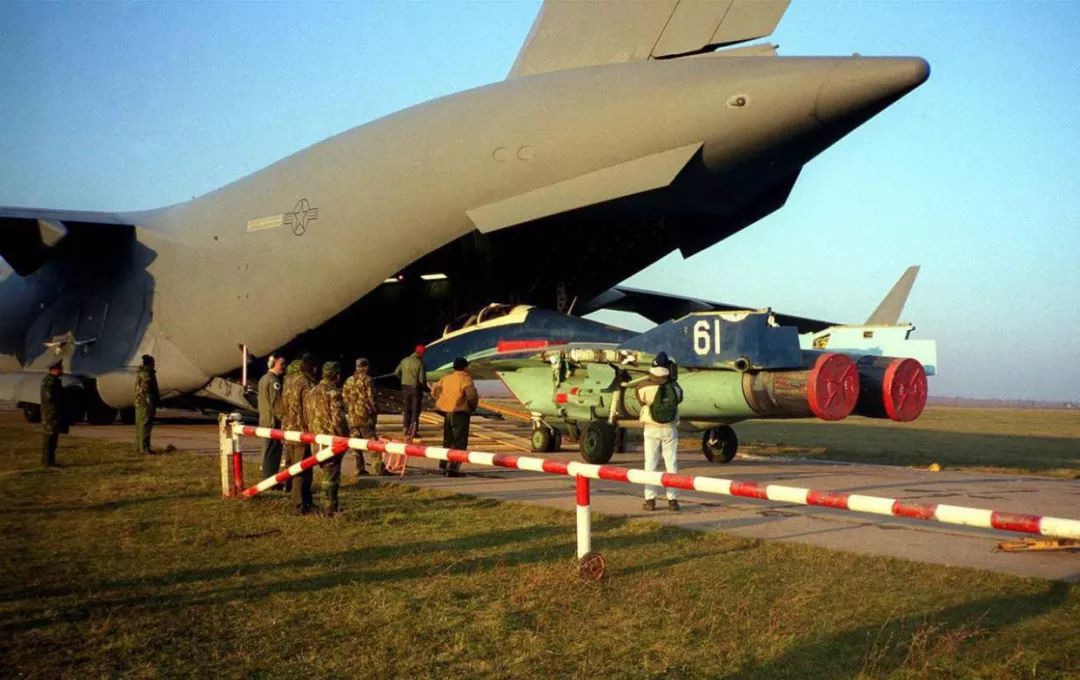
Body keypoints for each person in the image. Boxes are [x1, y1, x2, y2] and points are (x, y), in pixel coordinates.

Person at [635, 351, 684, 512]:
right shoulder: (675, 389)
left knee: (650, 463)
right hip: (670, 429)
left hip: (651, 429)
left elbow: (640, 398)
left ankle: (650, 500)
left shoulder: (644, 387)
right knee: (671, 463)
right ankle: (673, 500)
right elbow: (680, 398)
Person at [305, 361, 348, 515]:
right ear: (336, 375)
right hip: (332, 440)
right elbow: (339, 419)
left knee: (326, 474)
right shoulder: (333, 393)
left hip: (316, 440)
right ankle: (329, 508)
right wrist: (345, 439)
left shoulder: (311, 392)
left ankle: (328, 507)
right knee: (332, 477)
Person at [282, 353, 317, 514]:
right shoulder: (305, 382)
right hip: (301, 431)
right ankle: (299, 504)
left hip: (288, 430)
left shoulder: (288, 381)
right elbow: (310, 409)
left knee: (294, 466)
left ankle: (298, 498)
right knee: (302, 469)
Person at [431, 356, 479, 477]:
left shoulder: (446, 378)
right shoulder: (465, 378)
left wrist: (441, 401)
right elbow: (472, 395)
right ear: (465, 367)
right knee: (459, 441)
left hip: (447, 412)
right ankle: (453, 468)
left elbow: (434, 389)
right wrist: (472, 407)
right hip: (460, 412)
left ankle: (443, 464)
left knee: (448, 439)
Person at [342, 357, 382, 477]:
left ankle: (359, 468)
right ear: (365, 367)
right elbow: (371, 397)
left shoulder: (349, 380)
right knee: (372, 443)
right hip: (365, 417)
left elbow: (344, 397)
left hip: (353, 417)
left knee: (356, 444)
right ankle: (378, 468)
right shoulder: (367, 380)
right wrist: (375, 409)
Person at [258, 354, 286, 482]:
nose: (283, 367)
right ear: (274, 364)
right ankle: (270, 480)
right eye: (281, 364)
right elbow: (277, 404)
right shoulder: (274, 381)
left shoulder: (263, 379)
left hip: (264, 419)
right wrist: (284, 418)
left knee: (267, 450)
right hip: (272, 421)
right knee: (273, 452)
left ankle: (266, 477)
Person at [394, 344, 427, 442]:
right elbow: (421, 380)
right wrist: (425, 388)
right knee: (415, 410)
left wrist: (403, 380)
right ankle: (413, 432)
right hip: (415, 388)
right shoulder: (420, 363)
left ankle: (405, 429)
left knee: (406, 408)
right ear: (422, 353)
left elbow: (396, 372)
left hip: (404, 387)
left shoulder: (404, 360)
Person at [40, 360, 66, 467]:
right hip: (50, 414)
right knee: (49, 439)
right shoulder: (50, 381)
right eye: (60, 369)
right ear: (55, 369)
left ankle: (50, 461)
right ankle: (47, 462)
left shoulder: (53, 380)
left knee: (53, 439)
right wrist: (55, 408)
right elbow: (49, 397)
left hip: (52, 413)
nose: (62, 370)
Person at [134, 354, 160, 454]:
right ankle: (144, 448)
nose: (154, 365)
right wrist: (152, 403)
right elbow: (147, 390)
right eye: (153, 363)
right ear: (149, 364)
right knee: (145, 425)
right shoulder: (147, 374)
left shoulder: (141, 373)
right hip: (145, 403)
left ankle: (140, 447)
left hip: (139, 402)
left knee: (140, 425)